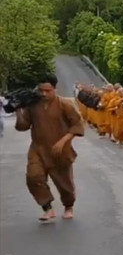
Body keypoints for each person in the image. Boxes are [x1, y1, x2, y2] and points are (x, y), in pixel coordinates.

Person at [14, 74, 84, 221]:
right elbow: (23, 126)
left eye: (48, 91)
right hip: (37, 149)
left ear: (55, 89)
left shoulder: (65, 104)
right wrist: (18, 110)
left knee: (65, 183)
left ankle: (68, 206)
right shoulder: (33, 106)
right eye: (41, 91)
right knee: (33, 177)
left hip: (59, 150)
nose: (44, 94)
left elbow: (77, 125)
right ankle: (47, 207)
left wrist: (64, 140)